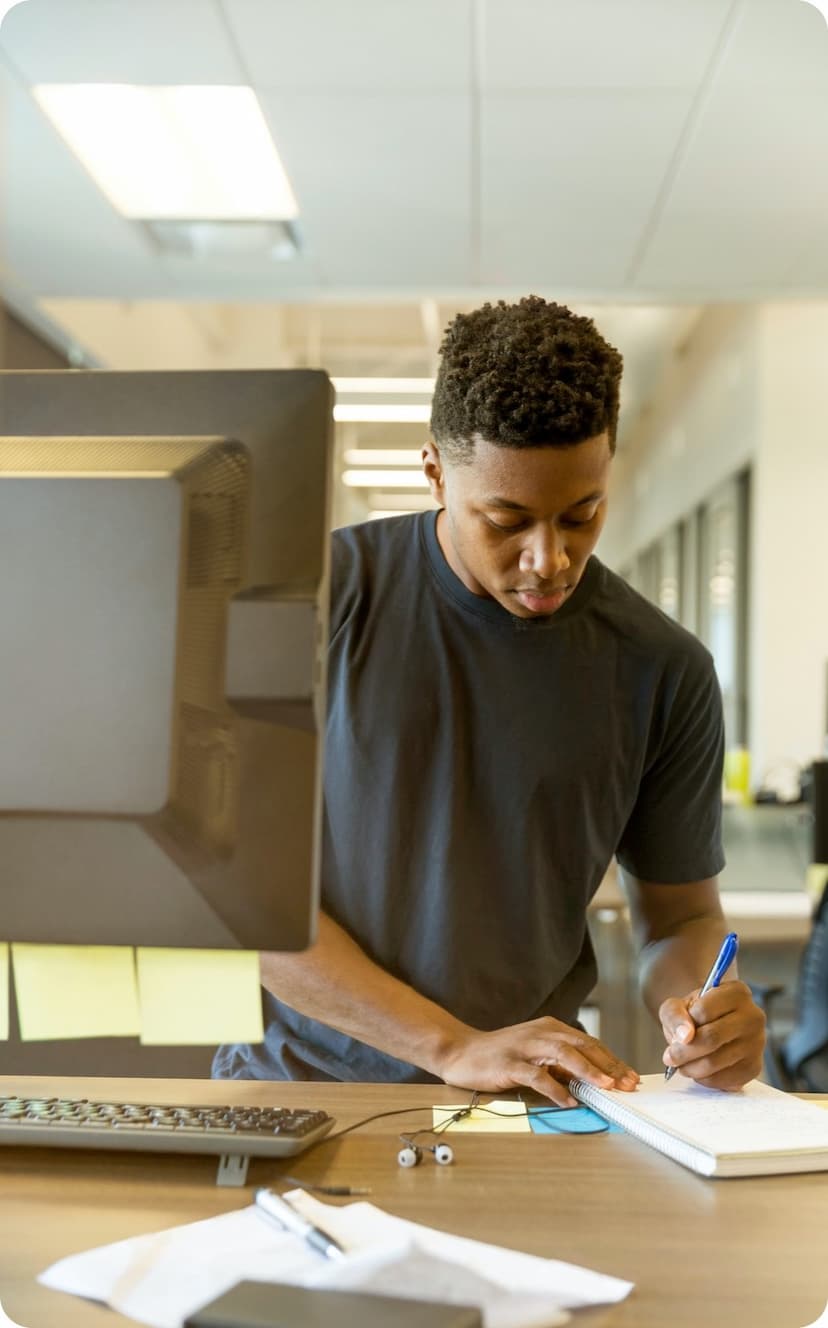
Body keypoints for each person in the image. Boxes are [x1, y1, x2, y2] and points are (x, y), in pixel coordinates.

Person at [213, 295, 765, 1103]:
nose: (550, 559)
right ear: (435, 469)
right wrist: (447, 1044)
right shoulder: (312, 604)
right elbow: (240, 897)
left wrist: (702, 1015)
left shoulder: (662, 668)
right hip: (301, 1089)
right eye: (507, 520)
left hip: (527, 1100)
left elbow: (681, 921)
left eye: (582, 515)